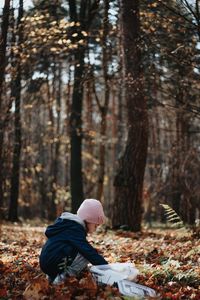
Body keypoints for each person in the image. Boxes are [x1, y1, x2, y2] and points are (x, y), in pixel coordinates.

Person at [39, 199, 108, 284]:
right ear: (88, 220)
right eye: (96, 225)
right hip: (52, 263)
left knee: (80, 250)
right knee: (86, 254)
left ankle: (52, 276)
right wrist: (105, 267)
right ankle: (62, 279)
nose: (96, 228)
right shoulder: (74, 228)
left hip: (48, 262)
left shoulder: (69, 225)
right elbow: (86, 250)